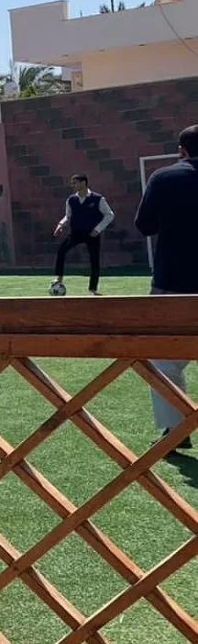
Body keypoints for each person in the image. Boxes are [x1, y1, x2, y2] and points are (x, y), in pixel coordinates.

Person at [134, 124, 198, 449]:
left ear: (181, 151)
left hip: (174, 281)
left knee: (165, 359)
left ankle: (176, 429)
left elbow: (144, 225)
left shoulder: (164, 178)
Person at [52, 174, 114, 295]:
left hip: (92, 234)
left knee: (94, 260)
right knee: (61, 250)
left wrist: (98, 229)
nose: (72, 185)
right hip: (76, 232)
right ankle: (58, 279)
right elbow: (68, 216)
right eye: (72, 183)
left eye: (75, 183)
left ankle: (93, 289)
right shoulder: (71, 200)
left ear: (83, 183)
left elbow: (109, 215)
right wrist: (61, 224)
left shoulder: (98, 199)